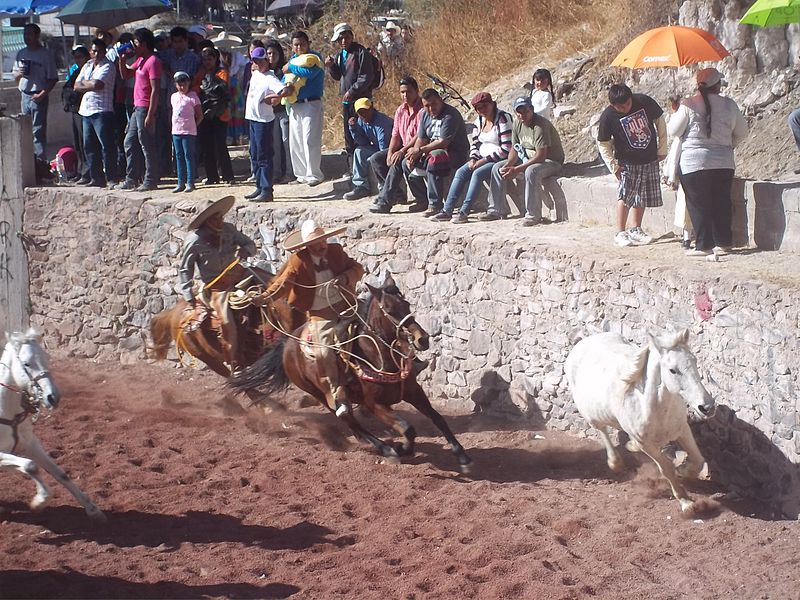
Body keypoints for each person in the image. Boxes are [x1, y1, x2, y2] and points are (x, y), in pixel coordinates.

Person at [260, 219, 364, 417]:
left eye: (323, 240)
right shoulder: (297, 262)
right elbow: (282, 285)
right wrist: (265, 298)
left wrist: (345, 278)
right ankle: (338, 395)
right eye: (317, 242)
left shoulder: (336, 252)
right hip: (320, 315)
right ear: (307, 246)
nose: (322, 245)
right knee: (324, 351)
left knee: (382, 319)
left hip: (348, 305)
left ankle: (408, 362)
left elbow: (357, 268)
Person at [668, 68, 748, 257]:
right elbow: (742, 132)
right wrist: (728, 145)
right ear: (718, 85)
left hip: (694, 164)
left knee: (698, 204)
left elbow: (674, 131)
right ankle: (724, 242)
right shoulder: (730, 105)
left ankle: (704, 246)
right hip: (724, 163)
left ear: (698, 85)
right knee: (722, 202)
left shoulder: (688, 104)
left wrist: (675, 111)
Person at [178, 196, 256, 375]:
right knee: (226, 320)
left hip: (239, 275)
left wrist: (246, 250)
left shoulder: (229, 230)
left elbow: (249, 243)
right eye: (215, 218)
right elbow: (185, 270)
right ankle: (234, 361)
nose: (220, 220)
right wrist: (189, 297)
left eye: (220, 216)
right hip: (216, 287)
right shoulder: (194, 240)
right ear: (206, 221)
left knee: (269, 284)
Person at [596, 84, 667, 247]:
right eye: (620, 107)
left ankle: (636, 229)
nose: (625, 109)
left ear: (631, 98)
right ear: (612, 105)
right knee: (625, 196)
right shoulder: (608, 116)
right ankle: (620, 232)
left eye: (627, 104)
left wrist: (662, 148)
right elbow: (603, 143)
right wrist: (613, 166)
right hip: (626, 162)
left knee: (641, 194)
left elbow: (660, 122)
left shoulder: (644, 102)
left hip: (649, 158)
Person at [481, 96, 565, 226]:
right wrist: (509, 165)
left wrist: (517, 169)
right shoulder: (517, 124)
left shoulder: (540, 126)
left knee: (532, 171)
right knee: (498, 167)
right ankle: (496, 209)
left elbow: (541, 156)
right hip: (529, 158)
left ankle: (533, 215)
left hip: (551, 161)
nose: (522, 115)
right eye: (519, 112)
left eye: (525, 111)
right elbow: (515, 149)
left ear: (531, 109)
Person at [432, 91, 512, 224]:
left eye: (485, 106)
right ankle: (447, 210)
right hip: (481, 158)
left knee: (477, 174)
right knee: (461, 172)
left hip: (499, 159)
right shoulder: (479, 121)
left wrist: (483, 161)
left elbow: (506, 149)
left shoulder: (503, 118)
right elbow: (476, 143)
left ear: (492, 104)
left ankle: (464, 212)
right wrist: (473, 158)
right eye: (478, 108)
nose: (482, 110)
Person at [403, 88, 470, 216]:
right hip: (431, 150)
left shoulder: (450, 115)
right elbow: (421, 138)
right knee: (406, 162)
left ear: (440, 100)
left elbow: (443, 142)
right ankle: (422, 200)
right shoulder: (424, 114)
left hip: (454, 153)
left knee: (434, 159)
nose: (431, 108)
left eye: (434, 104)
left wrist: (420, 150)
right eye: (427, 105)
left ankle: (435, 204)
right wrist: (414, 154)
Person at [116, 28, 162, 192]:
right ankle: (132, 178)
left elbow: (156, 89)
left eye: (136, 43)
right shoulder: (141, 60)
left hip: (145, 107)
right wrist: (122, 59)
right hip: (137, 107)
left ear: (144, 44)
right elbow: (126, 75)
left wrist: (151, 113)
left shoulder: (153, 61)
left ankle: (150, 179)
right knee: (129, 141)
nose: (134, 46)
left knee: (146, 144)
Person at [369, 76, 424, 214]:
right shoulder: (400, 110)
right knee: (376, 159)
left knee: (397, 162)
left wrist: (402, 151)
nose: (405, 95)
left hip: (417, 147)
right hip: (403, 146)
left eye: (408, 92)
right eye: (402, 92)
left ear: (416, 91)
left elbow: (420, 135)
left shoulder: (423, 109)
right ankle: (397, 195)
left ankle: (385, 201)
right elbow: (396, 134)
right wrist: (390, 152)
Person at [325, 23, 376, 165]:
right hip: (347, 101)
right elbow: (339, 76)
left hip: (360, 100)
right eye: (340, 39)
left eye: (346, 37)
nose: (343, 41)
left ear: (351, 36)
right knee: (349, 133)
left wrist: (352, 91)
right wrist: (331, 67)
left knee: (360, 132)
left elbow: (367, 76)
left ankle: (363, 165)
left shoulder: (360, 53)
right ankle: (351, 164)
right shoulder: (340, 55)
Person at [243, 46, 286, 202]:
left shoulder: (270, 77)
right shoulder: (255, 74)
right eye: (254, 60)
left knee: (264, 155)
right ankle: (260, 186)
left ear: (266, 61)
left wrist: (273, 98)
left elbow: (284, 90)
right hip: (253, 119)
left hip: (264, 120)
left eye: (260, 60)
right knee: (254, 154)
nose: (257, 63)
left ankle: (267, 190)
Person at [74, 38, 118, 188]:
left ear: (104, 52)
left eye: (99, 51)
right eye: (94, 51)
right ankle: (96, 177)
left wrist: (86, 84)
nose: (96, 54)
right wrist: (89, 84)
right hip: (86, 110)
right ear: (91, 52)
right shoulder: (87, 65)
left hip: (102, 110)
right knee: (89, 146)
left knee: (106, 146)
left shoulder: (108, 66)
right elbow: (76, 85)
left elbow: (98, 84)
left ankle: (111, 177)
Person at [283, 31, 325, 186]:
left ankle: (314, 174)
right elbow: (285, 77)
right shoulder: (294, 60)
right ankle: (301, 175)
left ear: (308, 43)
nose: (299, 47)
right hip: (295, 104)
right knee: (296, 141)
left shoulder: (314, 58)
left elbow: (310, 72)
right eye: (296, 45)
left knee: (310, 139)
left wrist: (290, 67)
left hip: (311, 103)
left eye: (302, 44)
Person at [13, 23, 57, 162]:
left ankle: (40, 161)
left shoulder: (45, 54)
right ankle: (27, 160)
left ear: (37, 36)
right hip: (24, 94)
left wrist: (42, 94)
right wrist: (19, 74)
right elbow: (14, 76)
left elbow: (53, 78)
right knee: (24, 130)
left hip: (38, 94)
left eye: (30, 34)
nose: (27, 37)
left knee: (38, 131)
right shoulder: (21, 53)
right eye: (25, 34)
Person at [192, 47, 234, 185]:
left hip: (220, 113)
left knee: (220, 145)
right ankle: (212, 177)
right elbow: (194, 88)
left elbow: (221, 90)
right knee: (207, 146)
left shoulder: (222, 72)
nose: (207, 62)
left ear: (215, 59)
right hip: (205, 113)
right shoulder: (201, 73)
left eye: (209, 59)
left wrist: (206, 89)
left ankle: (228, 176)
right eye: (204, 59)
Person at [344, 98, 393, 200]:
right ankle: (361, 186)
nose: (363, 114)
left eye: (365, 111)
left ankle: (383, 189)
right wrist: (353, 129)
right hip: (377, 147)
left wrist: (373, 158)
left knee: (376, 159)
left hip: (390, 148)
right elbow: (363, 142)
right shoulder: (362, 121)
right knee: (359, 151)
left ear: (371, 109)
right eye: (360, 113)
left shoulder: (382, 123)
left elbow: (384, 148)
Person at [265, 40, 293, 184]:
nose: (271, 56)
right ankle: (276, 173)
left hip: (284, 111)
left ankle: (290, 172)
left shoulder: (284, 69)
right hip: (271, 113)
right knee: (275, 144)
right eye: (269, 53)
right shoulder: (266, 72)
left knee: (286, 142)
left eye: (274, 53)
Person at [63, 45, 91, 183]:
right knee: (77, 143)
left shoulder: (89, 71)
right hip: (74, 110)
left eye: (80, 56)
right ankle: (81, 171)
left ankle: (87, 172)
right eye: (75, 57)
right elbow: (68, 88)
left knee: (85, 142)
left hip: (84, 110)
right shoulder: (75, 72)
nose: (77, 59)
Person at [171, 71, 202, 193]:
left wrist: (193, 126)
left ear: (188, 83)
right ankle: (180, 182)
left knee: (188, 156)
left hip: (188, 132)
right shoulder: (173, 97)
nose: (182, 87)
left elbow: (200, 115)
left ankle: (190, 182)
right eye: (179, 84)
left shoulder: (193, 97)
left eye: (184, 84)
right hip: (176, 131)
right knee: (178, 156)